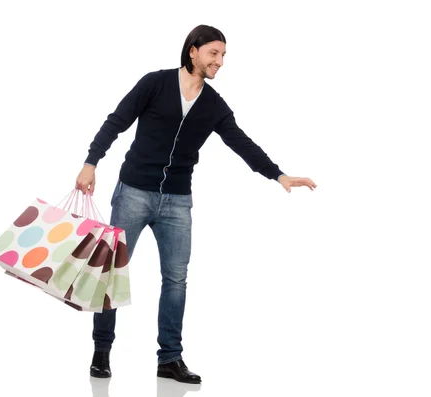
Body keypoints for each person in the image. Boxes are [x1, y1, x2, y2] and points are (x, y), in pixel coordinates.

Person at [75, 24, 317, 384]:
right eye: (213, 53)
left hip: (176, 202)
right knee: (111, 273)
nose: (219, 62)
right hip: (134, 192)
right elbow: (117, 121)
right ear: (193, 51)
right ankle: (102, 351)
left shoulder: (213, 105)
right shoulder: (154, 83)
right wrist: (91, 162)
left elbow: (241, 142)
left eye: (223, 56)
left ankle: (169, 359)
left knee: (176, 280)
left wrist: (278, 175)